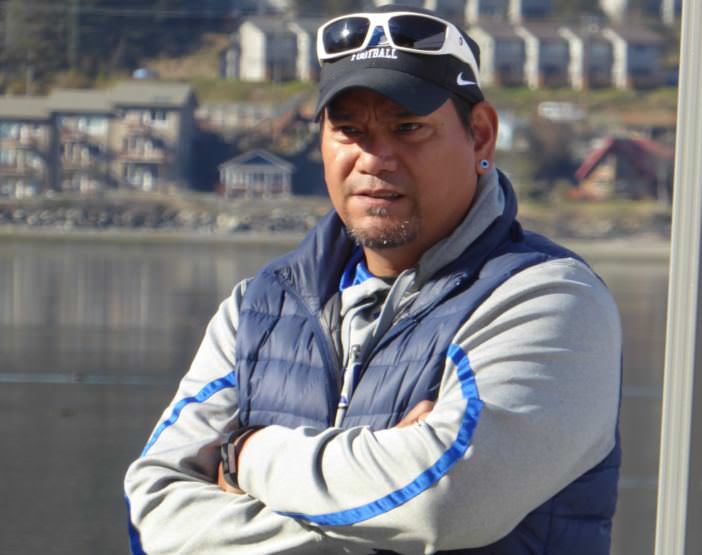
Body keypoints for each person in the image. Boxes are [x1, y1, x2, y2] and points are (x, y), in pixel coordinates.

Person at [124, 5, 622, 554]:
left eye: (408, 128)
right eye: (349, 130)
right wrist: (384, 505)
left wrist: (245, 455)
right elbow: (155, 518)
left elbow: (443, 503)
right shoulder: (258, 311)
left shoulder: (549, 301)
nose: (374, 158)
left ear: (480, 136)